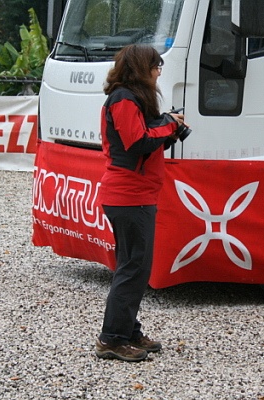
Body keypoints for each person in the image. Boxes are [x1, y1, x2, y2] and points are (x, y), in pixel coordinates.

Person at [95, 44, 185, 362]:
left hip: (136, 195)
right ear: (141, 68)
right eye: (156, 65)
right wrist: (169, 123)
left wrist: (168, 131)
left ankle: (128, 331)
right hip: (129, 196)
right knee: (133, 269)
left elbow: (146, 143)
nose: (159, 71)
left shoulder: (130, 98)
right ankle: (112, 339)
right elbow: (136, 142)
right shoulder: (123, 98)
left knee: (133, 267)